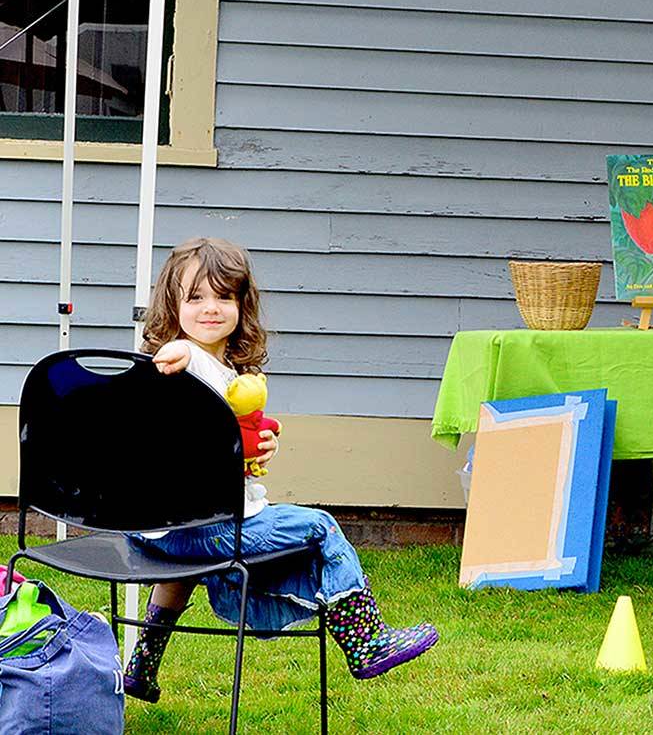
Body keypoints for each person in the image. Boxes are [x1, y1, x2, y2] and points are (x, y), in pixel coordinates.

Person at [122, 237, 439, 703]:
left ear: (241, 304)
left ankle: (142, 666)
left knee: (182, 568)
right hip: (212, 528)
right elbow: (175, 363)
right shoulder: (184, 357)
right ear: (172, 305)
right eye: (195, 298)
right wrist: (175, 356)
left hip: (162, 531)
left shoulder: (225, 371)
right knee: (323, 528)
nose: (210, 308)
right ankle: (367, 642)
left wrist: (254, 444)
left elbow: (214, 437)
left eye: (223, 296)